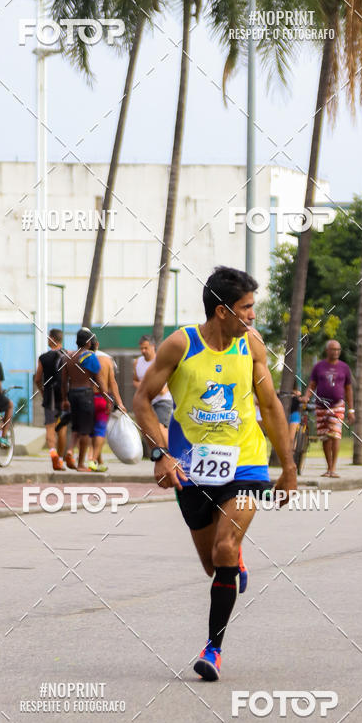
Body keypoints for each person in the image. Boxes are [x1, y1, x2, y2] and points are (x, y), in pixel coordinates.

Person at [133, 267, 296, 681]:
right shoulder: (180, 345)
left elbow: (272, 407)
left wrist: (288, 466)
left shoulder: (252, 346)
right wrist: (161, 454)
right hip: (192, 467)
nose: (253, 316)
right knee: (214, 564)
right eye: (247, 309)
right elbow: (142, 400)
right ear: (222, 311)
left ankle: (213, 648)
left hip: (246, 460)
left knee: (224, 548)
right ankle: (233, 562)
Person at [303, 340, 354, 478]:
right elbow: (312, 385)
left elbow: (348, 389)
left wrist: (351, 410)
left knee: (335, 434)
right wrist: (306, 397)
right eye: (333, 349)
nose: (336, 352)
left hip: (337, 405)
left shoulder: (344, 367)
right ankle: (328, 467)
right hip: (321, 406)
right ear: (327, 351)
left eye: (338, 350)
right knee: (325, 437)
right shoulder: (319, 367)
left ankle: (333, 468)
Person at [61, 328, 104, 471]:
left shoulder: (67, 357)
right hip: (86, 394)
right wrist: (106, 396)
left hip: (72, 394)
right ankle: (80, 464)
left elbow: (63, 382)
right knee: (85, 431)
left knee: (75, 427)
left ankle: (69, 451)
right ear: (87, 342)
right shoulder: (89, 357)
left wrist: (64, 400)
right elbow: (99, 380)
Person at [89, 336, 126, 472]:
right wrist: (120, 403)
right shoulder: (106, 360)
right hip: (102, 399)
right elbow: (112, 383)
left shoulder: (81, 360)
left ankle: (98, 461)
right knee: (99, 430)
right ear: (97, 344)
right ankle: (92, 459)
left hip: (85, 398)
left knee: (91, 432)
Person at [35, 329, 67, 471]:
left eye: (48, 337)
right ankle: (60, 459)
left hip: (50, 395)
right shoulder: (68, 355)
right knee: (62, 428)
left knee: (50, 426)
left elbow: (37, 378)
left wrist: (42, 391)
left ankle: (53, 453)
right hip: (64, 396)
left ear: (53, 339)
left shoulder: (43, 357)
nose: (47, 340)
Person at [133, 335, 173, 442]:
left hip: (162, 400)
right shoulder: (137, 362)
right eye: (141, 348)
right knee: (149, 431)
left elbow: (163, 389)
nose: (143, 351)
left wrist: (145, 385)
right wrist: (145, 385)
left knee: (161, 427)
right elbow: (135, 381)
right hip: (146, 401)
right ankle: (159, 454)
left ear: (153, 346)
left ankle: (170, 454)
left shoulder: (160, 360)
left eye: (146, 348)